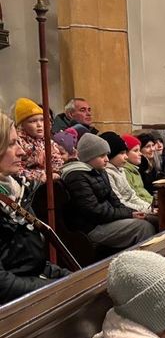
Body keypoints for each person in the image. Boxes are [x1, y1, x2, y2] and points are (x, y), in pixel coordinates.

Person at [0, 112, 70, 303]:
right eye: (11, 144)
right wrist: (57, 288)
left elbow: (30, 262)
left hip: (30, 285)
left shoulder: (16, 190)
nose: (21, 152)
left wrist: (68, 277)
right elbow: (3, 284)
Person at [61, 133, 156, 249]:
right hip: (92, 228)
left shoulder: (100, 171)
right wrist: (129, 214)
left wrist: (132, 213)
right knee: (143, 227)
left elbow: (115, 200)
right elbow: (93, 210)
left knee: (152, 219)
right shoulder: (77, 176)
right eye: (102, 156)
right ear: (89, 157)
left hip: (106, 220)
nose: (107, 159)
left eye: (107, 155)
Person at [100, 132, 157, 217]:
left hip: (135, 208)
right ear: (112, 155)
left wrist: (150, 208)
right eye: (122, 153)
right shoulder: (109, 173)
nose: (126, 157)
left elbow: (132, 196)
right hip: (127, 212)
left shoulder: (121, 170)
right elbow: (120, 202)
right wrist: (148, 210)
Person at [14, 98, 64, 184]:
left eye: (42, 120)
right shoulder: (18, 142)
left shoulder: (48, 141)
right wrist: (38, 175)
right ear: (22, 125)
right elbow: (16, 168)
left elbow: (56, 158)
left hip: (48, 180)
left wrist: (55, 172)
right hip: (27, 183)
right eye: (32, 121)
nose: (39, 125)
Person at [121, 134, 153, 206]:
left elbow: (142, 193)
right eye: (136, 151)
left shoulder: (134, 169)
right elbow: (133, 197)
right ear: (125, 154)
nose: (140, 153)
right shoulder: (125, 171)